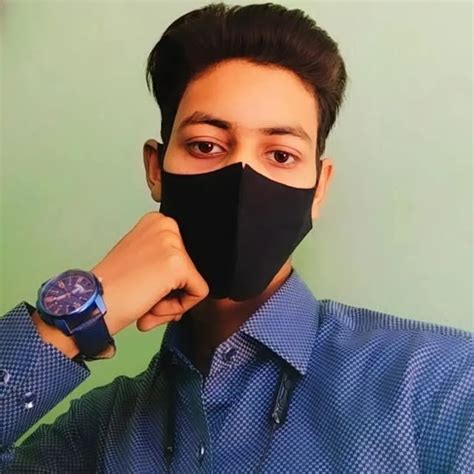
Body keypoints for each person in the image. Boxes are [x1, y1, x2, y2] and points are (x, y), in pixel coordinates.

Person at [1, 2, 472, 473]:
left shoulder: (442, 385)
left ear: (318, 189)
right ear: (156, 169)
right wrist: (71, 320)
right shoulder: (99, 435)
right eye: (206, 145)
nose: (242, 179)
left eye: (281, 155)